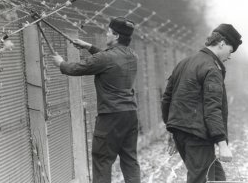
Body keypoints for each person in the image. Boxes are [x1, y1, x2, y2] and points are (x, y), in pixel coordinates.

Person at [52, 17, 141, 183]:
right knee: (130, 159)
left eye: (108, 31)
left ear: (115, 36)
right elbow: (111, 59)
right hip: (130, 114)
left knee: (102, 159)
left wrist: (61, 64)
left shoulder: (106, 58)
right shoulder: (132, 55)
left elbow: (77, 68)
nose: (106, 34)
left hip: (110, 116)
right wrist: (89, 47)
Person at [161, 24, 242, 183]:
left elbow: (167, 99)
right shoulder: (212, 68)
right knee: (199, 179)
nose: (230, 56)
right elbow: (212, 108)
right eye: (230, 51)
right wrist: (222, 143)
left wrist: (172, 129)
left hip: (182, 133)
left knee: (217, 177)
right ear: (221, 43)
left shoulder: (184, 62)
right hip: (198, 136)